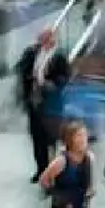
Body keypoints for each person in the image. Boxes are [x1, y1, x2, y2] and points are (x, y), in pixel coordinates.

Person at [18, 29, 71, 182]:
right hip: (34, 100)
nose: (44, 40)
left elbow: (65, 77)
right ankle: (40, 169)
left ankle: (53, 172)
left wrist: (52, 84)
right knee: (36, 138)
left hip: (50, 104)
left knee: (51, 139)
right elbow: (24, 70)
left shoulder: (59, 56)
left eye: (47, 37)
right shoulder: (33, 53)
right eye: (42, 37)